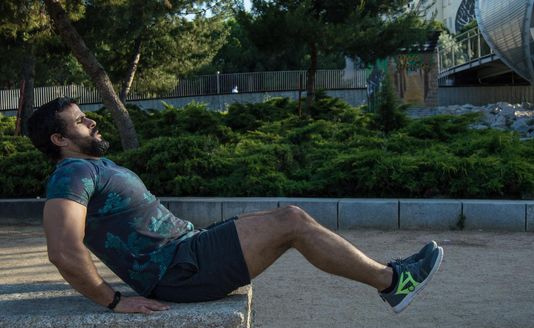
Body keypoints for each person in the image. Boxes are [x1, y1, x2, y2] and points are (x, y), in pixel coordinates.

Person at [27, 97, 443, 315]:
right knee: (291, 220)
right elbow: (63, 249)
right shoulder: (71, 175)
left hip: (188, 249)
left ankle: (391, 280)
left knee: (284, 217)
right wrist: (112, 300)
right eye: (81, 121)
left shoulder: (92, 165)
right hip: (178, 269)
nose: (92, 122)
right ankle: (393, 283)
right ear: (59, 140)